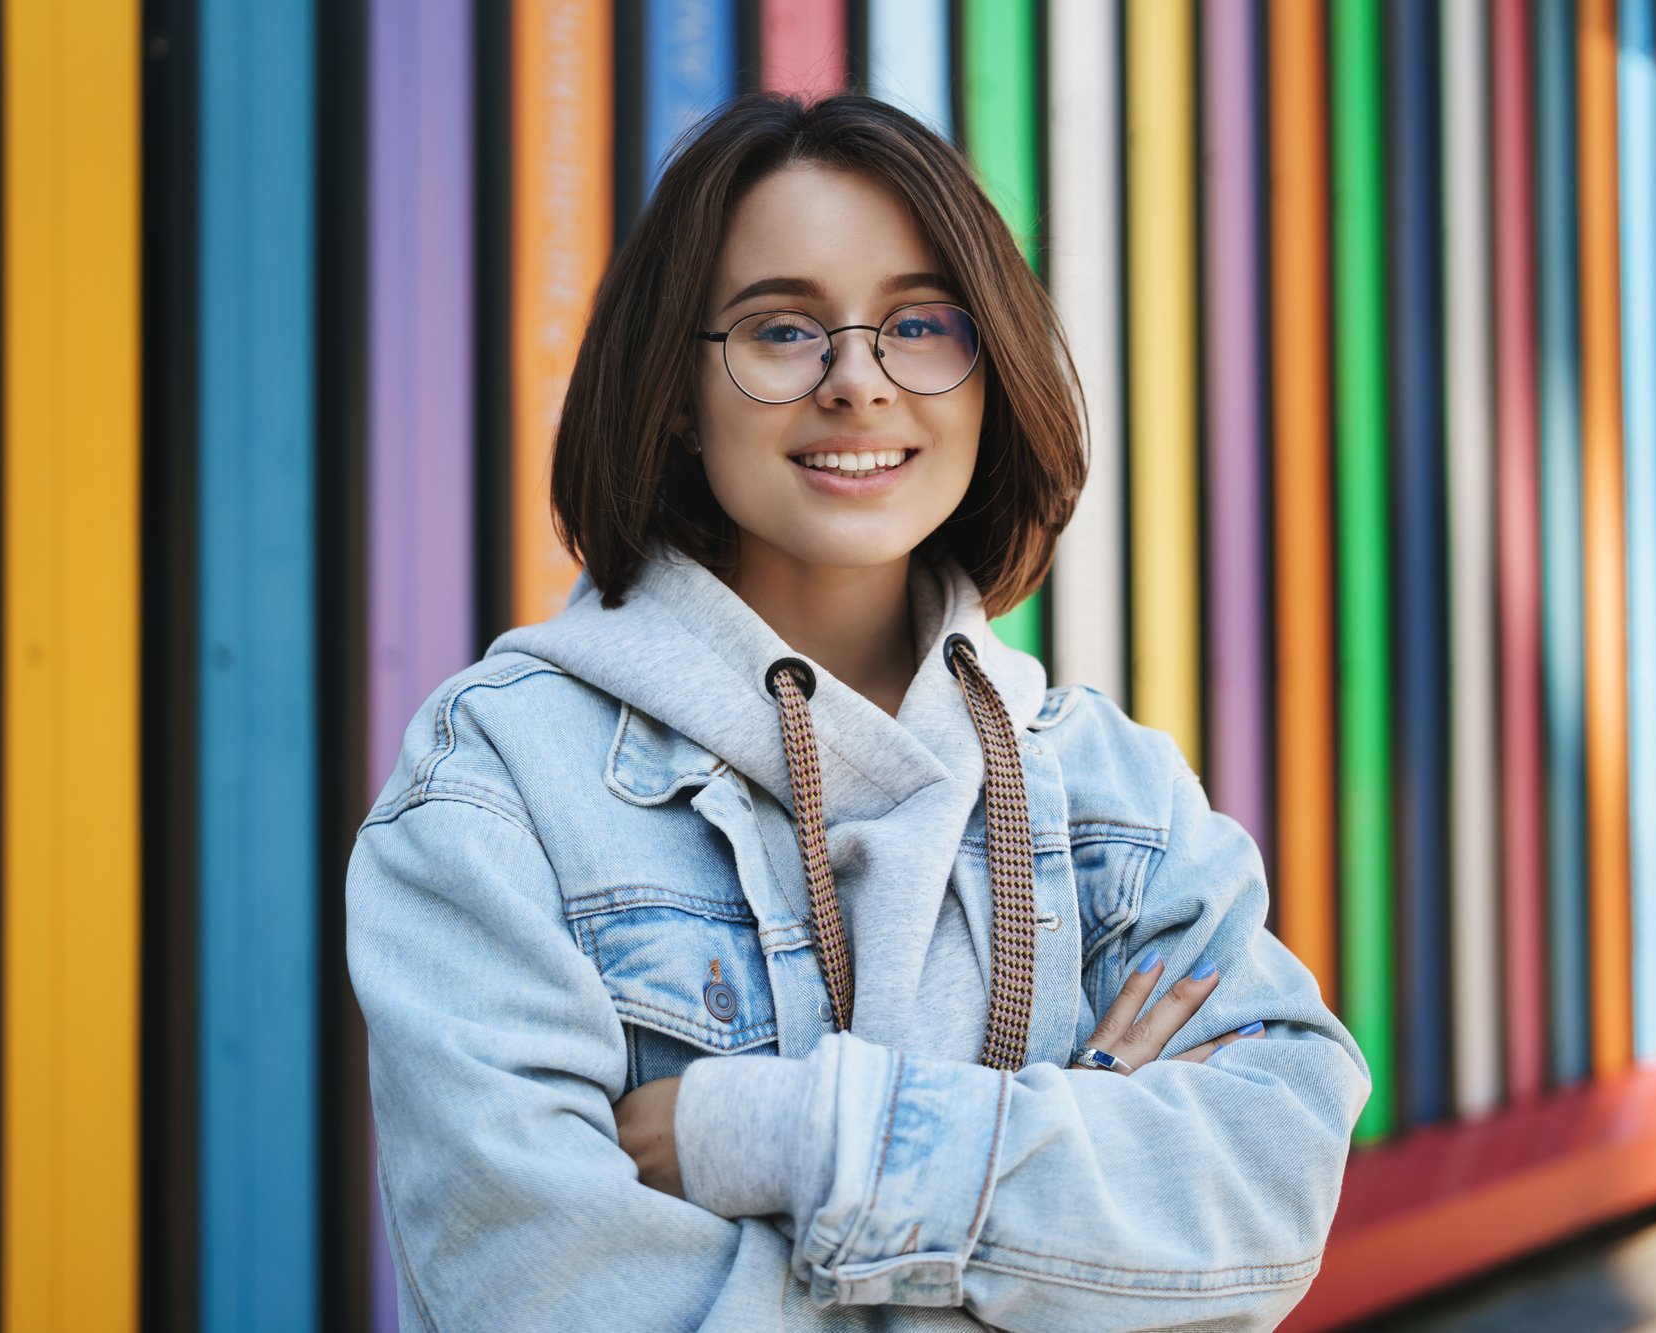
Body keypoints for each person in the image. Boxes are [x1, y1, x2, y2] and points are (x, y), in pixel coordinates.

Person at [346, 91, 1368, 1332]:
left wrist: (787, 1136)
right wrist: (1079, 1156)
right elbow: (546, 1291)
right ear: (678, 387)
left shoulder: (1103, 789)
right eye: (783, 330)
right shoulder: (506, 782)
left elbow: (1268, 1188)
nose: (857, 383)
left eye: (918, 324)